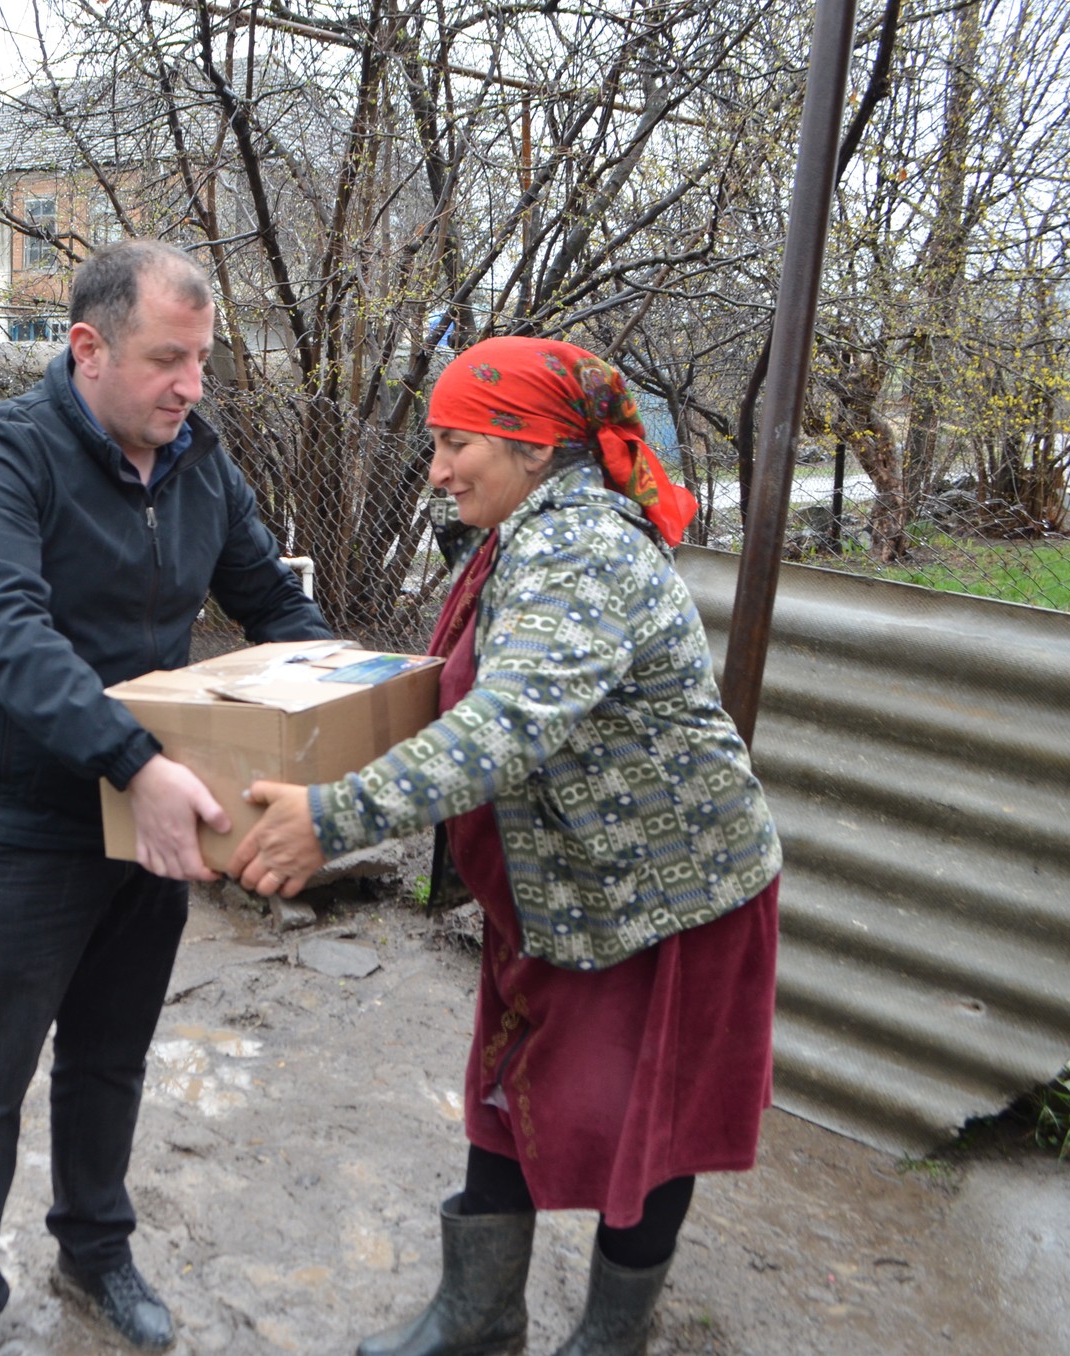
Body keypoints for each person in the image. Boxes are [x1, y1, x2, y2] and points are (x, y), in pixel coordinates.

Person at [231, 336, 782, 1356]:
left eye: (457, 443)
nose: (436, 470)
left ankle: (609, 1338)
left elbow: (512, 721)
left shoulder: (580, 547)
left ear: (532, 445)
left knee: (645, 1122)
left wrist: (333, 816)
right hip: (553, 886)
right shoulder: (516, 532)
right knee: (505, 1086)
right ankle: (480, 1314)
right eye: (435, 444)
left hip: (662, 895)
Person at [0, 239, 331, 1356]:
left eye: (200, 360)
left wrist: (342, 701)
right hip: (20, 828)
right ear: (88, 348)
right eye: (166, 360)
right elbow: (1, 630)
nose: (190, 387)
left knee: (109, 1060)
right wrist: (134, 762)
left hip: (153, 821)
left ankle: (94, 1251)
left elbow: (270, 605)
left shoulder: (200, 463)